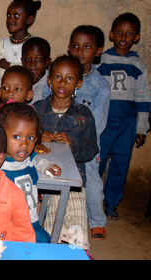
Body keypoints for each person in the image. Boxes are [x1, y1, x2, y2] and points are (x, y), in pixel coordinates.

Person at [33, 55, 99, 249]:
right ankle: (51, 248)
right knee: (52, 207)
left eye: (69, 78)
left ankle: (73, 249)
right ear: (49, 80)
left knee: (73, 202)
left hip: (71, 176)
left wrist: (73, 143)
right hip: (39, 175)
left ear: (78, 83)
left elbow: (91, 150)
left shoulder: (83, 115)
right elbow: (21, 139)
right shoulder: (37, 109)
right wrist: (36, 138)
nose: (62, 82)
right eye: (58, 77)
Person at [97, 13, 151, 221]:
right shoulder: (102, 60)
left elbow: (143, 96)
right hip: (105, 119)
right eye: (119, 32)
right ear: (111, 34)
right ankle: (92, 198)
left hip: (127, 123)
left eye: (129, 34)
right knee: (98, 161)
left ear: (136, 37)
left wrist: (141, 127)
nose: (123, 37)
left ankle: (111, 202)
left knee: (120, 163)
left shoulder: (138, 64)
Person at [64, 25, 110, 239]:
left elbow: (99, 122)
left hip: (87, 142)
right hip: (59, 139)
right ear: (68, 48)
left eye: (86, 46)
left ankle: (97, 220)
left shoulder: (100, 85)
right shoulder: (60, 74)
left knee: (91, 178)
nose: (79, 51)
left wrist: (76, 139)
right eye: (75, 45)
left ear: (98, 51)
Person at [0, 102, 61, 243]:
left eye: (30, 138)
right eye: (16, 137)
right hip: (6, 226)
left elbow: (39, 162)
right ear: (0, 135)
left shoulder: (30, 159)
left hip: (31, 222)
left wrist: (48, 166)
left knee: (42, 242)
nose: (24, 144)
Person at [0, 0, 42, 82]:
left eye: (16, 15)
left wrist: (7, 65)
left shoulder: (35, 43)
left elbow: (32, 71)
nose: (10, 19)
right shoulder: (1, 44)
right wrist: (19, 69)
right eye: (8, 15)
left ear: (29, 19)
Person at [21, 37, 51, 105]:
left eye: (38, 59)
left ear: (47, 62)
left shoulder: (51, 83)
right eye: (28, 59)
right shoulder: (18, 80)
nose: (32, 64)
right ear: (22, 61)